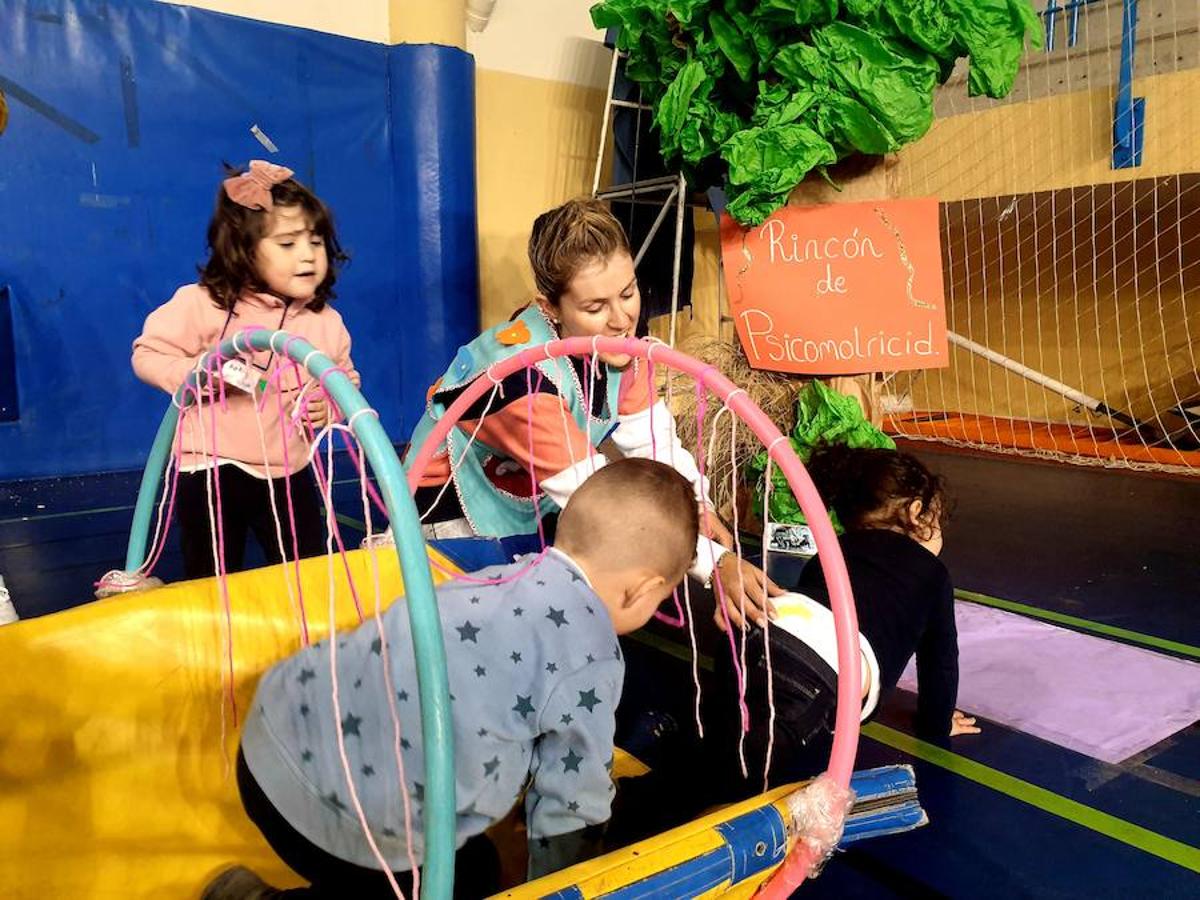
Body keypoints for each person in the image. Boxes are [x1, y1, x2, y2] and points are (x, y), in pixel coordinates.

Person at [201, 459, 700, 899]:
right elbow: (573, 804)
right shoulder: (591, 656)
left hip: (267, 744)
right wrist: (557, 886)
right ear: (643, 590)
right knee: (469, 876)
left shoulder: (492, 579)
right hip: (344, 823)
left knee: (465, 853)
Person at [404, 197, 780, 629]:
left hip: (531, 507)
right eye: (595, 307)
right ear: (549, 307)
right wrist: (713, 562)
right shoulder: (519, 381)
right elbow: (601, 501)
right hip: (451, 530)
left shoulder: (622, 350)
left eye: (628, 292)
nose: (622, 319)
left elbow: (654, 443)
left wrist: (695, 505)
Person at [606, 445, 978, 847]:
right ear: (917, 511)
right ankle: (618, 821)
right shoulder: (932, 573)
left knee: (727, 729)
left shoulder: (833, 552)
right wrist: (937, 723)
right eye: (937, 518)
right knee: (739, 772)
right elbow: (941, 661)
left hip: (758, 632)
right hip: (811, 673)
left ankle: (659, 768)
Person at [132, 161, 359, 580]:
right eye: (288, 243)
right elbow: (148, 354)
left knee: (308, 572)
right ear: (244, 248)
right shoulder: (204, 302)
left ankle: (308, 642)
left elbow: (344, 379)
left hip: (289, 469)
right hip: (212, 467)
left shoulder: (325, 321)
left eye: (316, 241)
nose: (309, 254)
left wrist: (329, 409)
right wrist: (196, 375)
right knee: (212, 575)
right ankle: (218, 639)